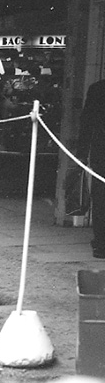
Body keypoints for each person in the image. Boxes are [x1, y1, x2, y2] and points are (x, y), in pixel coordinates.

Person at [78, 79, 105, 259]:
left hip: (101, 151)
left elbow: (86, 122)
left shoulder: (97, 89)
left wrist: (81, 152)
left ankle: (101, 244)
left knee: (101, 198)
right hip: (101, 152)